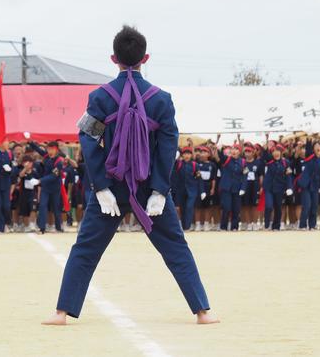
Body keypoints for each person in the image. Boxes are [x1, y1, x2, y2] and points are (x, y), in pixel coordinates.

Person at [43, 26, 217, 325]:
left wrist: (101, 186)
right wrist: (160, 190)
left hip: (111, 186)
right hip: (150, 187)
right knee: (176, 248)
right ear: (145, 58)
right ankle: (203, 312)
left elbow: (88, 141)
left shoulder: (99, 96)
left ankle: (61, 313)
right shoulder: (162, 99)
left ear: (114, 59)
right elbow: (168, 147)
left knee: (85, 250)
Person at [29, 140, 66, 234]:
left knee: (56, 207)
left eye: (51, 149)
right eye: (48, 149)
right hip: (46, 187)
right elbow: (38, 149)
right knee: (42, 206)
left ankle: (58, 227)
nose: (49, 151)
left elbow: (54, 176)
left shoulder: (59, 162)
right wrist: (30, 142)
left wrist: (40, 180)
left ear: (56, 150)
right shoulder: (46, 156)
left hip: (55, 187)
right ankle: (42, 228)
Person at [296, 140, 320, 230]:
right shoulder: (310, 156)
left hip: (315, 185)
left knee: (314, 206)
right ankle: (302, 225)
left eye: (319, 146)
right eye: (316, 146)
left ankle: (312, 225)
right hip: (306, 185)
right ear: (313, 149)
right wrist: (309, 139)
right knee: (307, 205)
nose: (318, 147)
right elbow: (308, 149)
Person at [263, 145, 293, 231]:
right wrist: (266, 148)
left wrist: (289, 187)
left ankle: (276, 226)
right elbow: (265, 156)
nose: (276, 153)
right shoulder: (269, 161)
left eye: (278, 151)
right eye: (274, 151)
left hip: (280, 188)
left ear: (281, 152)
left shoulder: (286, 163)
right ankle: (267, 223)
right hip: (269, 188)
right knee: (269, 206)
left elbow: (288, 176)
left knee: (278, 207)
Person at [218, 145, 247, 231]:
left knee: (236, 208)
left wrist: (243, 188)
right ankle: (223, 226)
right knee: (226, 207)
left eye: (236, 149)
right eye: (233, 149)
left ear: (239, 152)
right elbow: (220, 156)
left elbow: (245, 175)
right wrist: (219, 148)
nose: (234, 151)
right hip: (226, 187)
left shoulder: (243, 162)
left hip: (237, 188)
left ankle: (234, 226)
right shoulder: (227, 159)